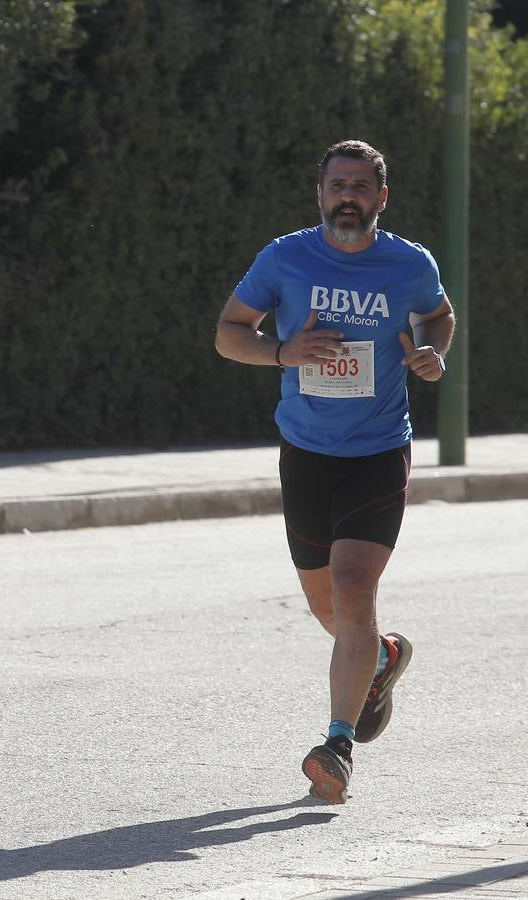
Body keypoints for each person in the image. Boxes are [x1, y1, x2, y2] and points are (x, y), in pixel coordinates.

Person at [214, 140, 455, 804]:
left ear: (382, 196)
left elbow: (438, 314)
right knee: (329, 607)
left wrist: (432, 352)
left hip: (378, 450)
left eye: (359, 185)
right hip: (307, 454)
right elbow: (230, 332)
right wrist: (283, 351)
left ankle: (338, 744)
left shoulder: (409, 263)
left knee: (353, 588)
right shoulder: (285, 258)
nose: (346, 195)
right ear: (320, 194)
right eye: (335, 185)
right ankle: (379, 658)